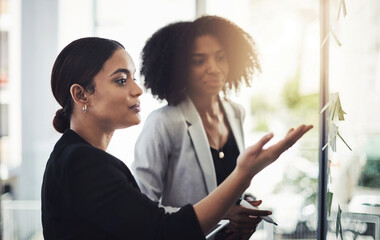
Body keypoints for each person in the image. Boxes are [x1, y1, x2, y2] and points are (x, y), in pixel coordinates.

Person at [41, 36, 312, 240]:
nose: (137, 90)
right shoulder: (82, 162)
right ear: (81, 95)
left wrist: (229, 217)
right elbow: (163, 232)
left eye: (133, 78)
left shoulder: (76, 156)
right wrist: (244, 172)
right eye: (121, 80)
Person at [132, 16, 262, 239]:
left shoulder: (235, 113)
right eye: (198, 61)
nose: (213, 68)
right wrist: (222, 215)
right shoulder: (164, 123)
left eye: (220, 58)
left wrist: (245, 204)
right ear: (179, 68)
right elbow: (141, 212)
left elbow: (223, 186)